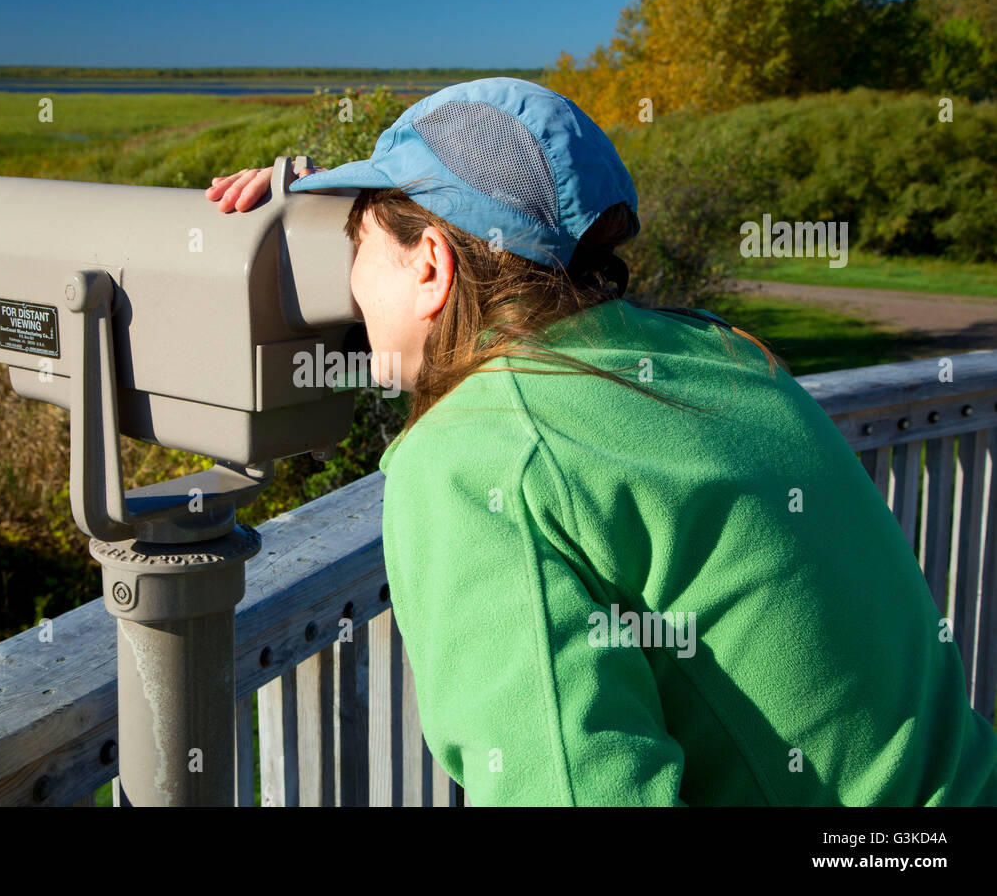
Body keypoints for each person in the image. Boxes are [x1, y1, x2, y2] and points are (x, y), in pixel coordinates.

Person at [206, 77, 997, 806]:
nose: (347, 287)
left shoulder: (476, 460)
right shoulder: (718, 354)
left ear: (433, 266)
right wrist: (319, 207)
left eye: (357, 248)